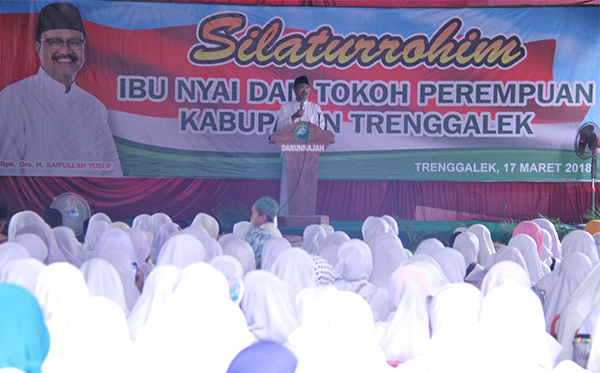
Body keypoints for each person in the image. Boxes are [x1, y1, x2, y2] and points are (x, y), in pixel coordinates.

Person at [0, 2, 122, 177]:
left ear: (83, 48)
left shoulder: (94, 107)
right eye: (55, 42)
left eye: (74, 42)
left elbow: (112, 173)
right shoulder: (13, 98)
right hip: (35, 203)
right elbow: (7, 175)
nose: (65, 50)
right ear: (38, 48)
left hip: (88, 203)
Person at [274, 75, 324, 215]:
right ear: (295, 90)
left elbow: (321, 129)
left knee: (308, 185)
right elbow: (279, 128)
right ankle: (285, 215)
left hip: (310, 155)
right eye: (301, 87)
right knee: (288, 185)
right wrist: (294, 116)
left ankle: (307, 216)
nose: (305, 90)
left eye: (307, 88)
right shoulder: (286, 108)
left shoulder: (315, 109)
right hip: (290, 154)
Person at [244, 196, 282, 266]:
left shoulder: (256, 235)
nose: (251, 217)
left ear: (263, 217)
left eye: (253, 213)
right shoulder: (278, 234)